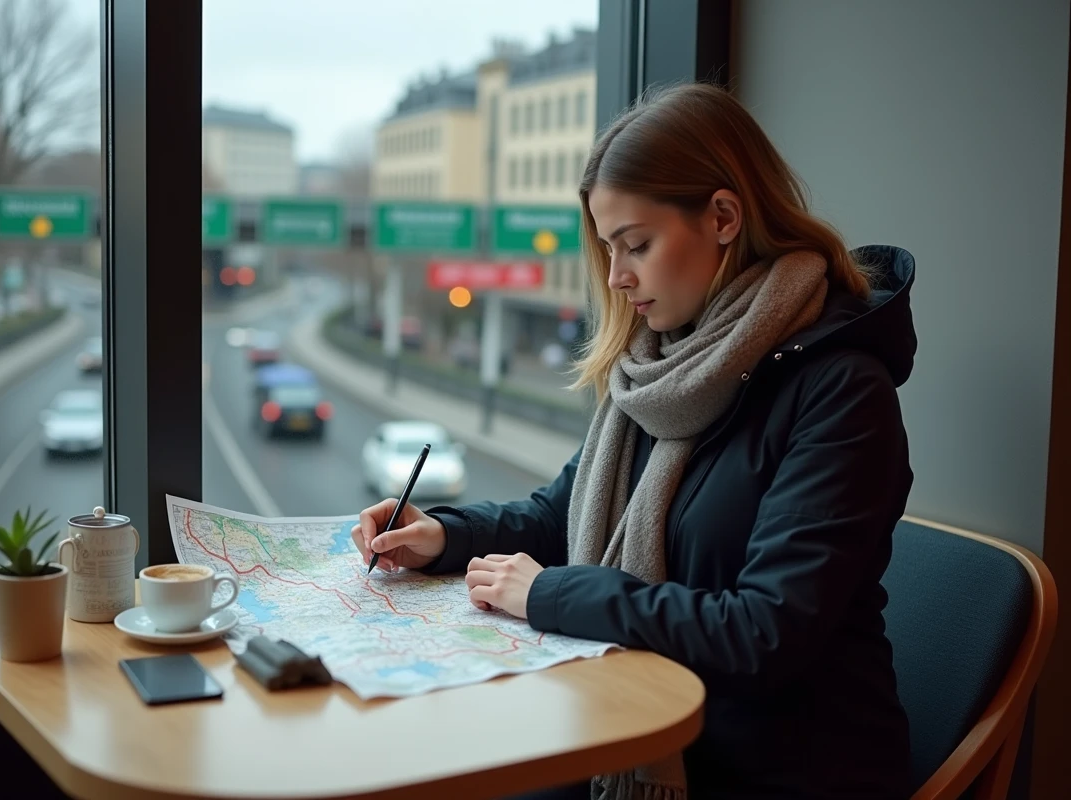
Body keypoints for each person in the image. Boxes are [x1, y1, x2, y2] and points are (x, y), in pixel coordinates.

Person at [352, 82, 915, 800]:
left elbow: (765, 633)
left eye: (636, 246)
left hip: (777, 769)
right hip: (647, 728)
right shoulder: (665, 368)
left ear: (722, 217)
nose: (617, 279)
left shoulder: (841, 393)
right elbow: (563, 514)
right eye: (610, 251)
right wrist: (442, 534)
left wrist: (553, 595)